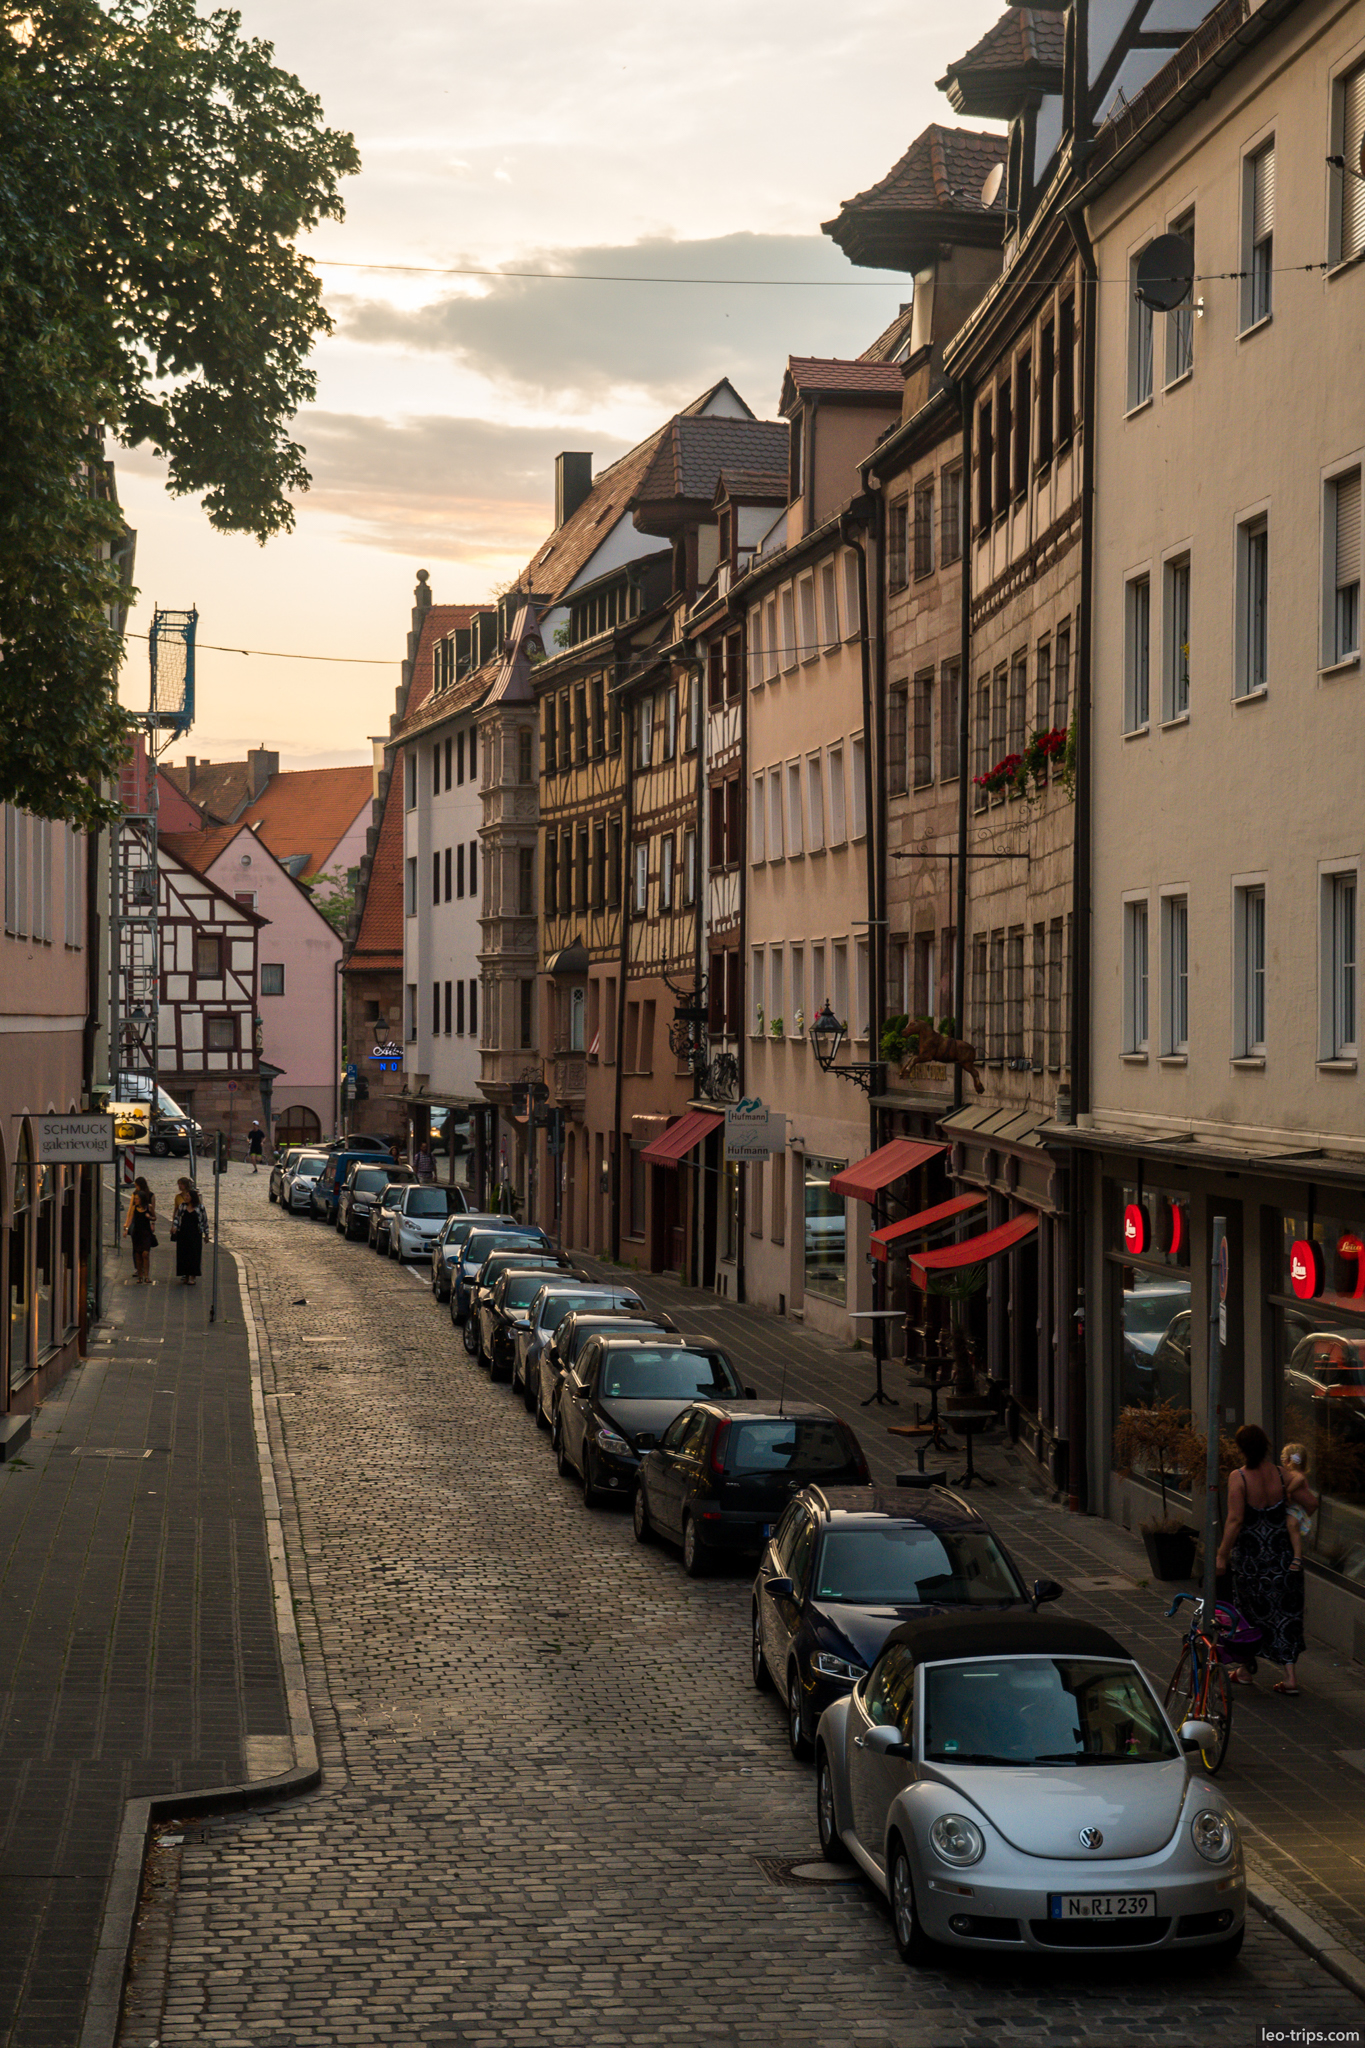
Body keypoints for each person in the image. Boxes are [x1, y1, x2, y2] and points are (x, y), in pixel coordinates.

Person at [1216, 1422, 1305, 1695]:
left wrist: (1221, 1554)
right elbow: (1309, 1498)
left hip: (1252, 1562)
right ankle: (1289, 1677)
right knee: (1285, 1614)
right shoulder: (1282, 1475)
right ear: (1266, 1445)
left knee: (1249, 1615)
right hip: (1283, 1559)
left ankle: (1244, 1669)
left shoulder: (1239, 1478)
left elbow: (1235, 1519)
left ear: (1241, 1449)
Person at [171, 1180, 206, 1286]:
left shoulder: (200, 1208)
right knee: (183, 1255)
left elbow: (204, 1220)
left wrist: (206, 1234)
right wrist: (174, 1226)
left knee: (194, 1255)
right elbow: (178, 1217)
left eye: (187, 1196)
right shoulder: (182, 1206)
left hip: (195, 1234)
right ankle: (185, 1275)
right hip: (183, 1234)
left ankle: (192, 1276)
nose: (185, 1197)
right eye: (185, 1196)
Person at [124, 1176, 157, 1284]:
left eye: (137, 1199)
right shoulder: (135, 1204)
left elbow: (154, 1215)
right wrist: (126, 1227)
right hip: (137, 1230)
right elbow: (130, 1214)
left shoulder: (150, 1202)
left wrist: (151, 1220)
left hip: (146, 1231)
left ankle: (146, 1275)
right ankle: (140, 1273)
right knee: (137, 1253)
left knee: (145, 1253)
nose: (135, 1200)